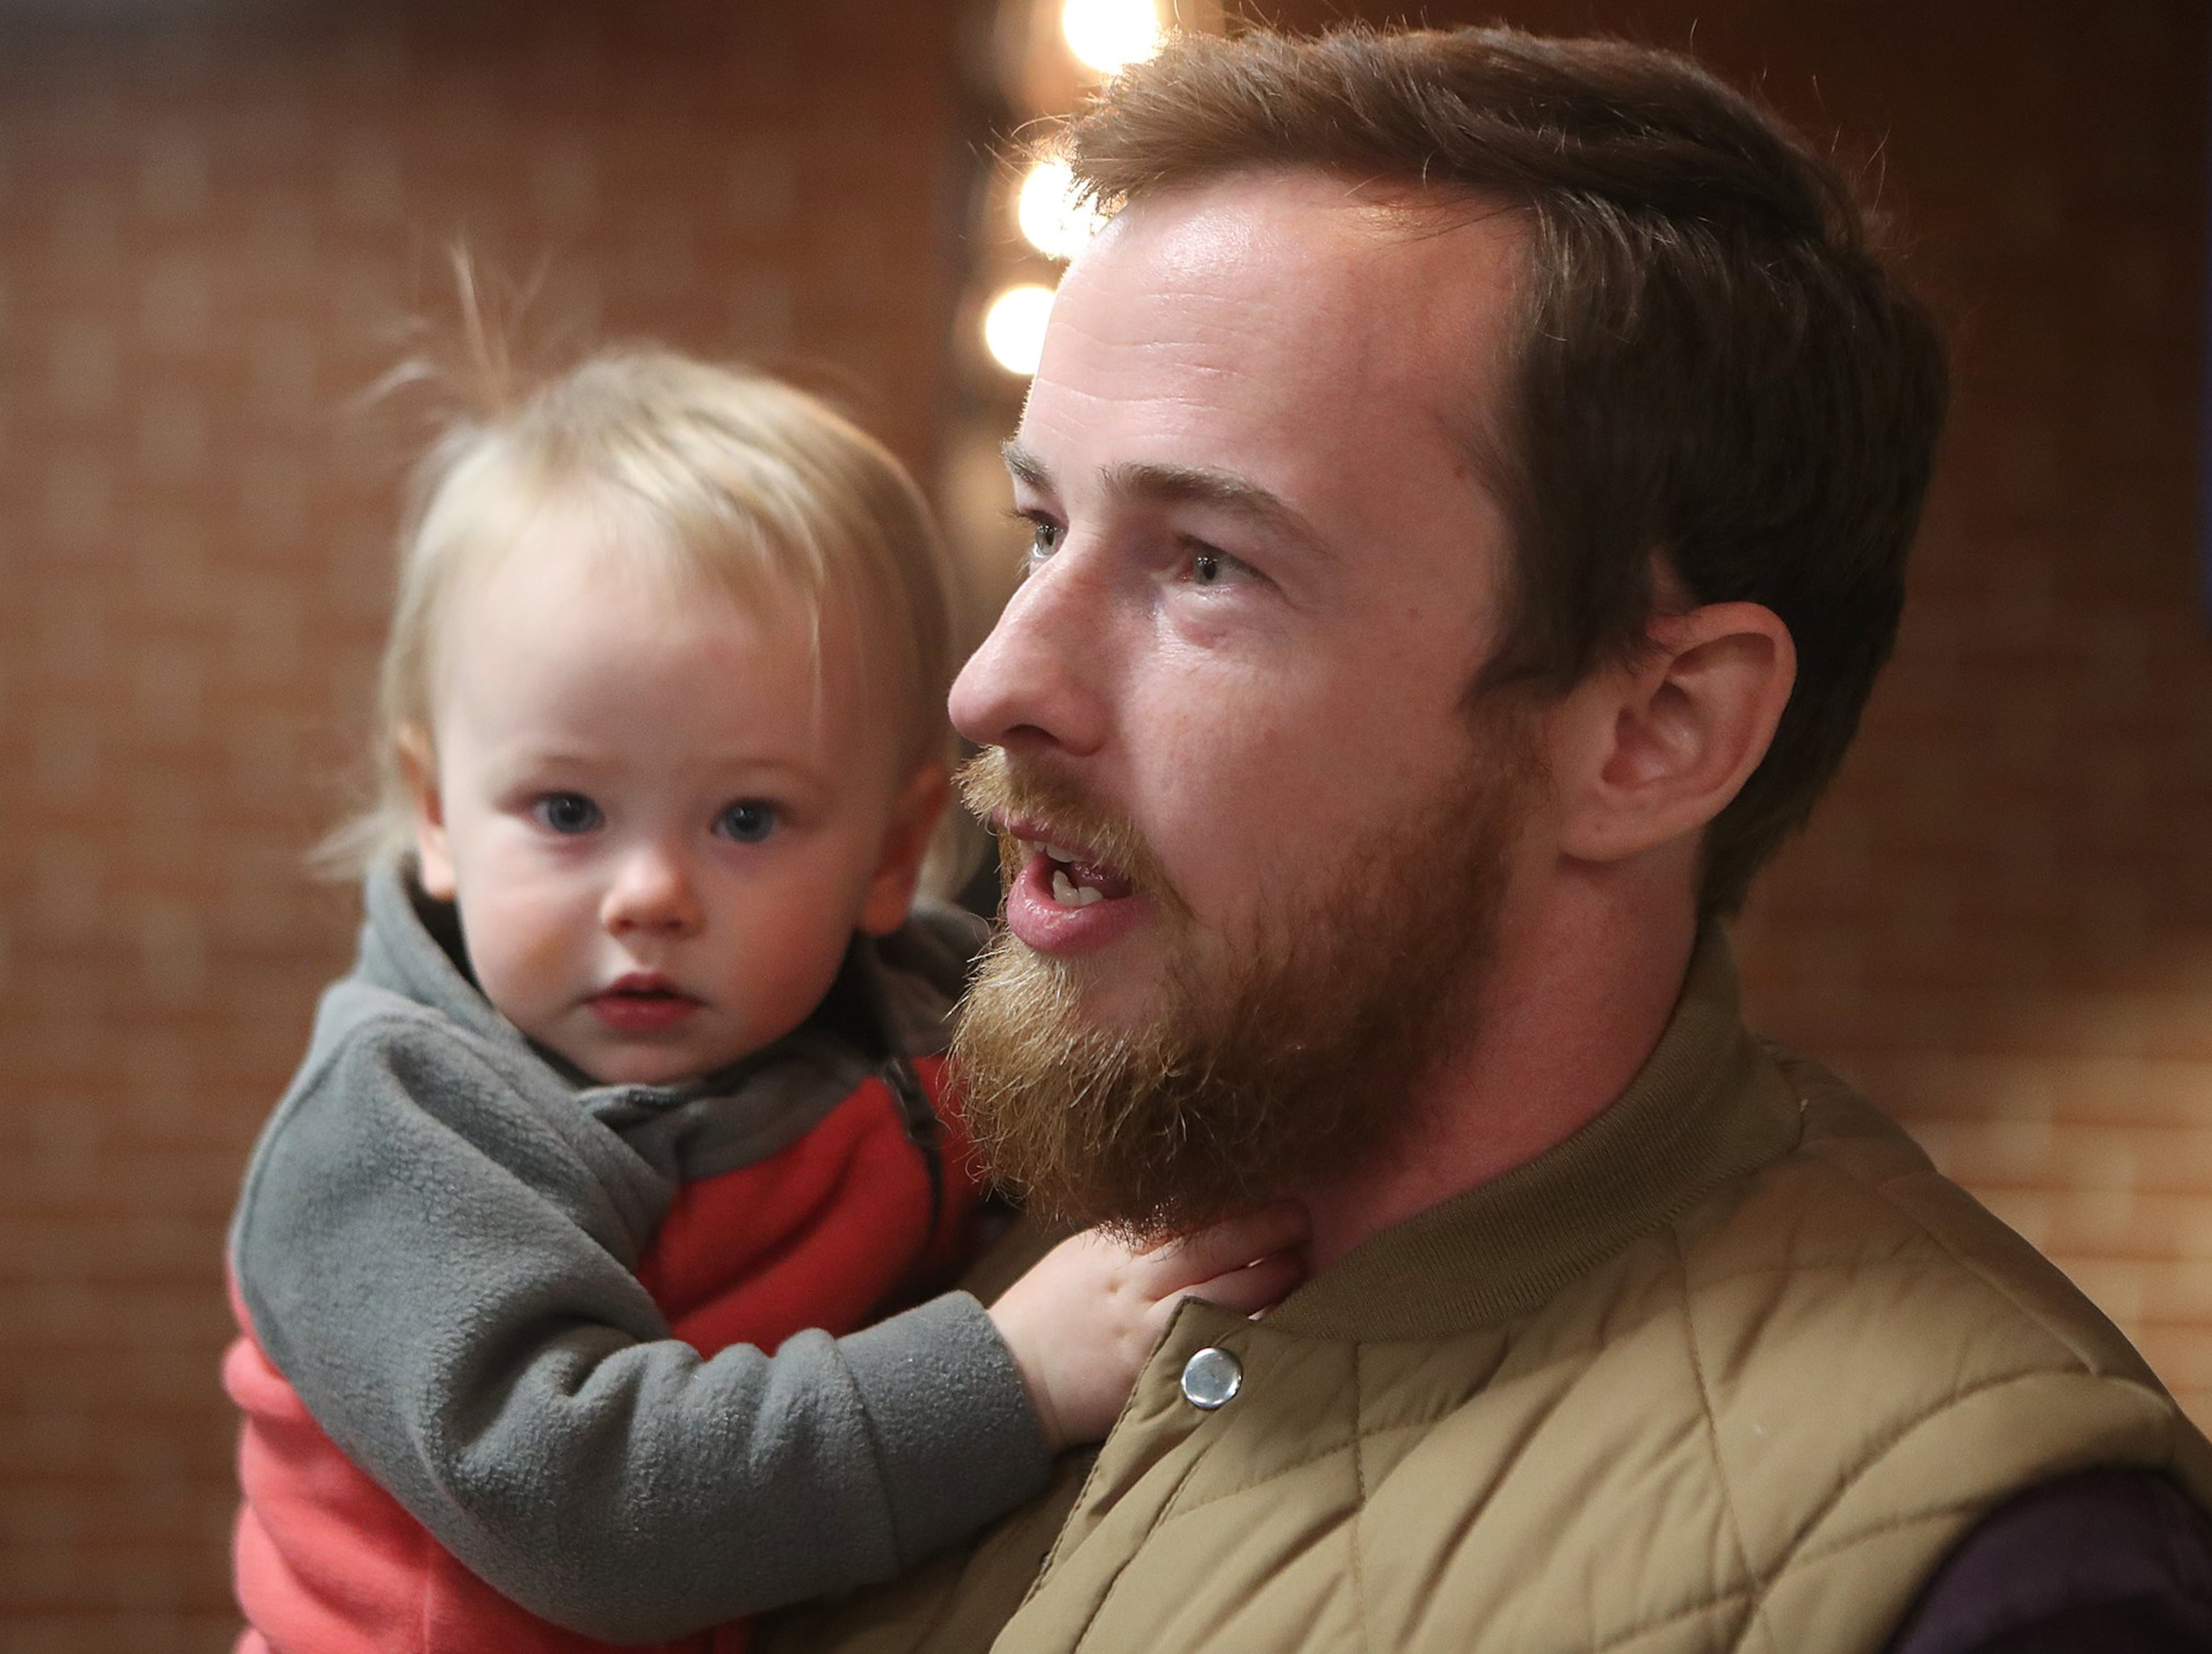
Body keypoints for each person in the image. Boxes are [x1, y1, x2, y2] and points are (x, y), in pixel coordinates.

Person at [764, 24, 2212, 1654]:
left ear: (1657, 730)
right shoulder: (899, 1240)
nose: (994, 682)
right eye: (1044, 528)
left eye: (1209, 564)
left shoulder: (1991, 1569)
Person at [219, 347, 1305, 1654]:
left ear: (892, 852)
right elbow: (580, 1504)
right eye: (566, 811)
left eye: (746, 819)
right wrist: (1011, 1374)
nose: (650, 898)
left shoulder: (929, 1011)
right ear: (440, 814)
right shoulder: (398, 1125)